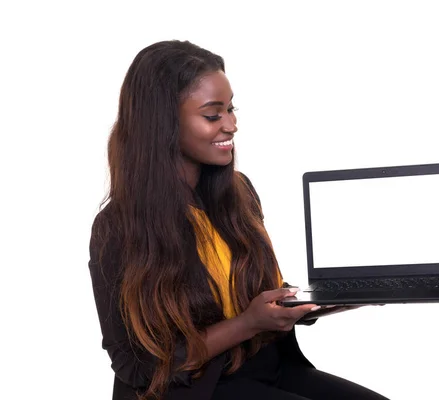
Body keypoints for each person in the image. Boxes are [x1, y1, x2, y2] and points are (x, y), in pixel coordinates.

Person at [88, 40, 389, 400]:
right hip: (192, 389)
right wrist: (247, 323)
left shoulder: (238, 193)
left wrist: (327, 298)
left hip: (267, 369)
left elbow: (253, 296)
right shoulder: (118, 228)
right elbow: (136, 367)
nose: (231, 125)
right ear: (163, 122)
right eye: (213, 115)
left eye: (231, 110)